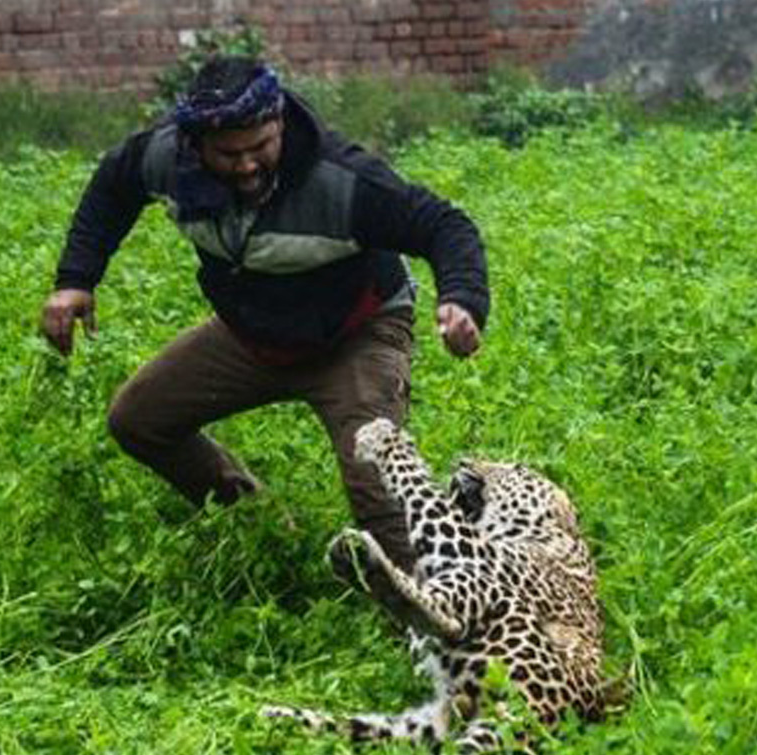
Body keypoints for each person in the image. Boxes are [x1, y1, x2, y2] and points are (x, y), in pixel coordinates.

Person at [41, 56, 488, 573]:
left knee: (377, 486)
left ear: (279, 124)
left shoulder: (341, 181)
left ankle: (436, 615)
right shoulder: (164, 158)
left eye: (261, 147)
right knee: (138, 420)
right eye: (229, 154)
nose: (248, 165)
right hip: (250, 337)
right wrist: (76, 279)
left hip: (356, 334)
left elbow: (445, 225)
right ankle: (261, 524)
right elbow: (112, 187)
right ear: (195, 144)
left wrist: (461, 299)